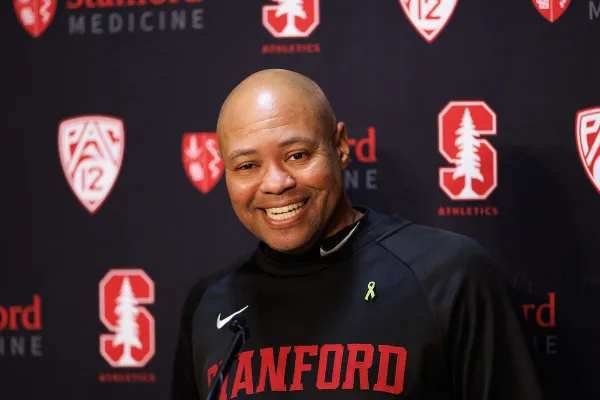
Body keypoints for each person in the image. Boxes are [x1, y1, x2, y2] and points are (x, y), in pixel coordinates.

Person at [170, 69, 544, 399]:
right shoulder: (209, 304)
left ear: (341, 146)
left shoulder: (449, 277)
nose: (276, 183)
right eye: (247, 165)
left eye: (297, 155)